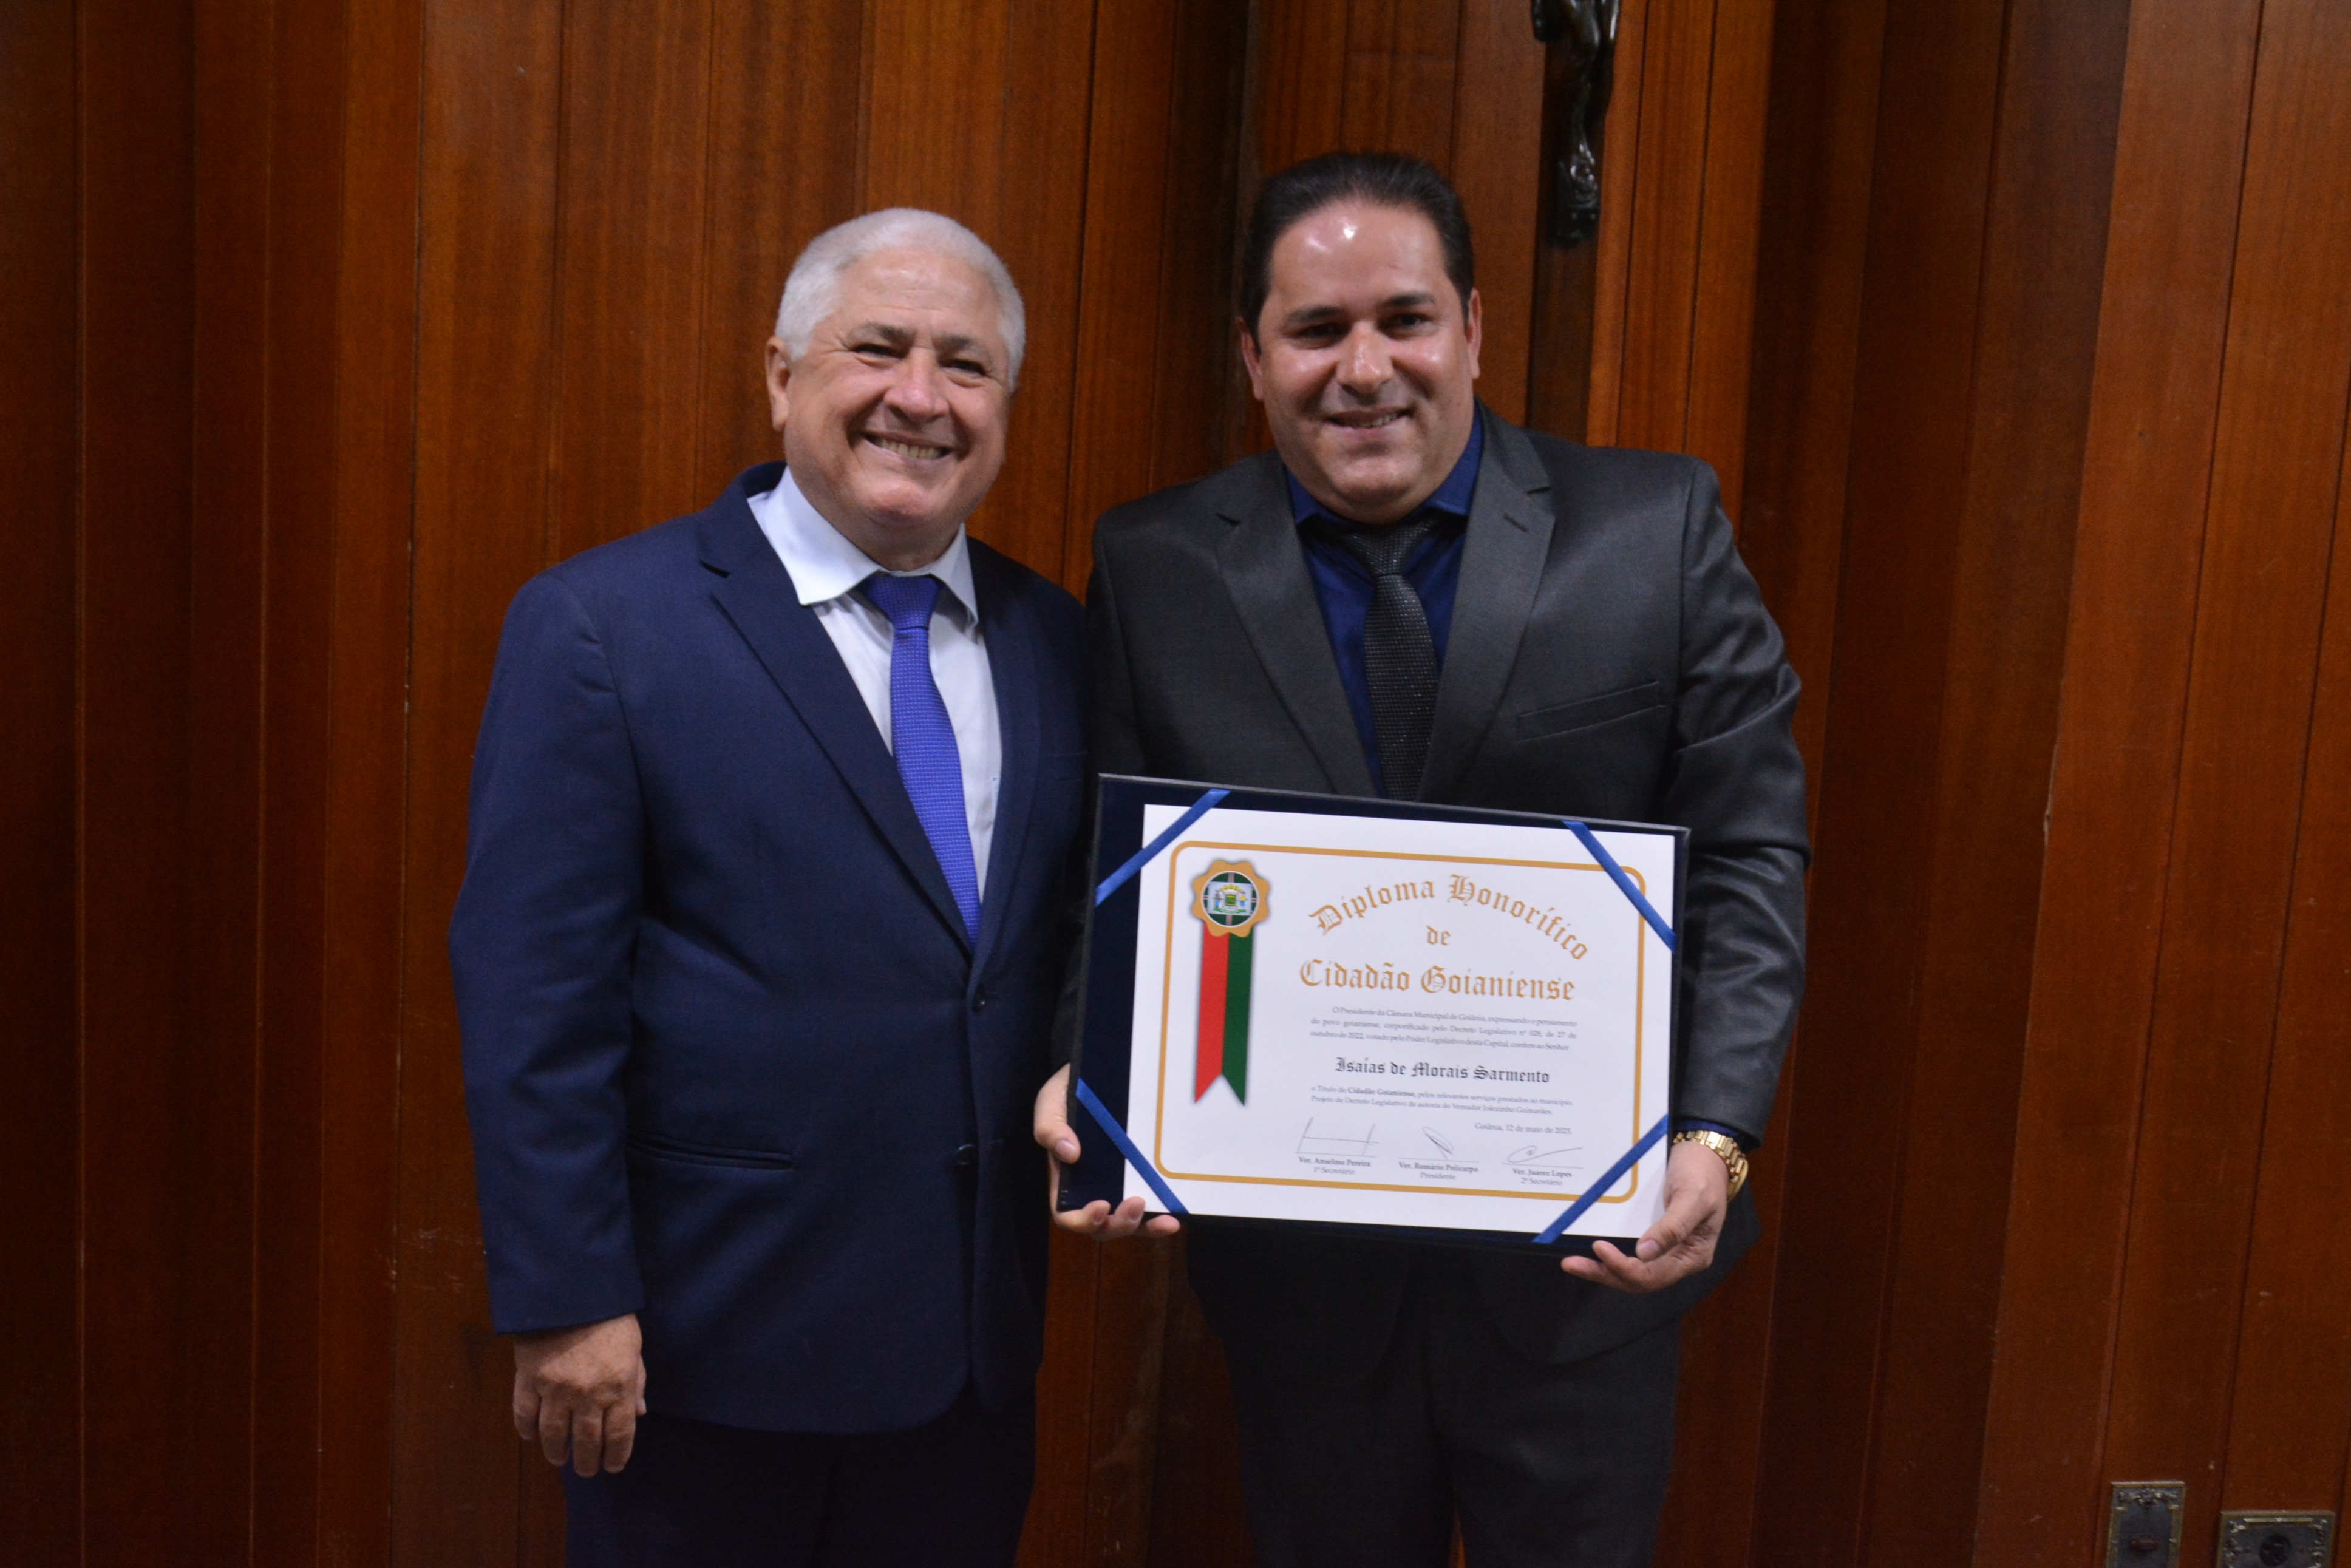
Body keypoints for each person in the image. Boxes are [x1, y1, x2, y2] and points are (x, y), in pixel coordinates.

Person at [1034, 152, 1808, 1568]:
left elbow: (1751, 851)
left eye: (1404, 319)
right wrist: (1097, 1076)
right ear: (1252, 356)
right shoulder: (1156, 566)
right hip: (1303, 1289)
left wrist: (1714, 1134)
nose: (1365, 369)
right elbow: (1121, 871)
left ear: (1472, 328)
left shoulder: (1656, 530)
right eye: (1316, 330)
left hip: (1587, 1270)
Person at [451, 208, 1087, 1567]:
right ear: (782, 375)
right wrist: (568, 1299)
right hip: (699, 1356)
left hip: (967, 1369)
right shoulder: (605, 627)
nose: (921, 395)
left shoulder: (1060, 642)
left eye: (966, 364)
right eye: (879, 348)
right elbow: (533, 1000)